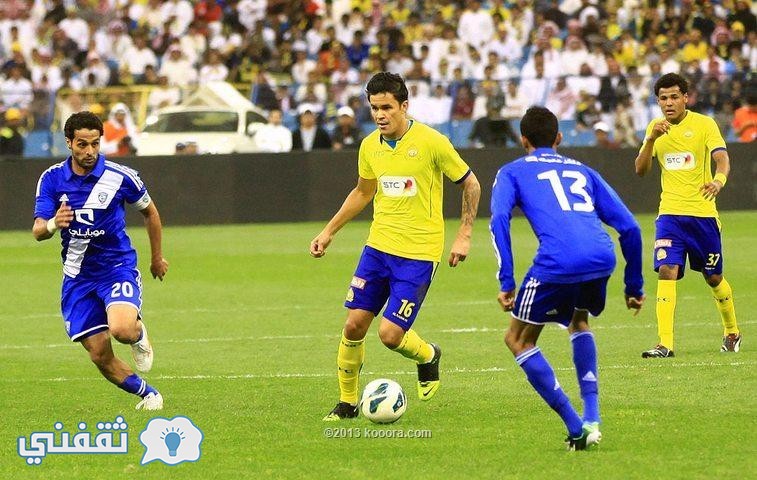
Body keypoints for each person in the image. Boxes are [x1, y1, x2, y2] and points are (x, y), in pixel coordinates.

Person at [310, 72, 481, 421]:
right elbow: (363, 192)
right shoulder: (369, 146)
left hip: (418, 254)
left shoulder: (432, 142)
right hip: (378, 248)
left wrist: (464, 235)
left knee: (389, 335)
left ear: (404, 106)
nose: (380, 115)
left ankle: (428, 355)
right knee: (353, 325)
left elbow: (471, 184)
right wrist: (329, 232)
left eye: (386, 107)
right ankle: (347, 404)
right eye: (374, 108)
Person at [491, 106, 644, 450]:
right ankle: (593, 417)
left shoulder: (511, 172)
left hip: (557, 261)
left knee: (518, 340)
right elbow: (631, 228)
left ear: (523, 140)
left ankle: (577, 428)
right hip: (601, 258)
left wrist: (507, 281)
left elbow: (499, 220)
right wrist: (633, 287)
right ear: (559, 139)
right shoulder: (583, 170)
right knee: (579, 321)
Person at [32, 111, 168, 410]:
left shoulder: (120, 176)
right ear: (69, 143)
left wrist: (156, 257)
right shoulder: (52, 179)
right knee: (99, 355)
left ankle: (138, 332)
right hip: (77, 277)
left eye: (95, 144)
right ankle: (149, 394)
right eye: (82, 144)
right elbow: (38, 230)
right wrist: (55, 222)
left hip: (116, 267)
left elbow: (150, 213)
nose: (89, 151)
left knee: (121, 329)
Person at [635, 72, 741, 357]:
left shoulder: (705, 124)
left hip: (702, 215)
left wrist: (718, 181)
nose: (668, 103)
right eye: (663, 98)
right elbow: (641, 169)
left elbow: (722, 159)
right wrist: (650, 140)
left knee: (713, 277)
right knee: (667, 270)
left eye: (673, 97)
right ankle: (665, 344)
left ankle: (732, 330)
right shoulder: (655, 129)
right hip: (669, 215)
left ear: (685, 98)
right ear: (657, 101)